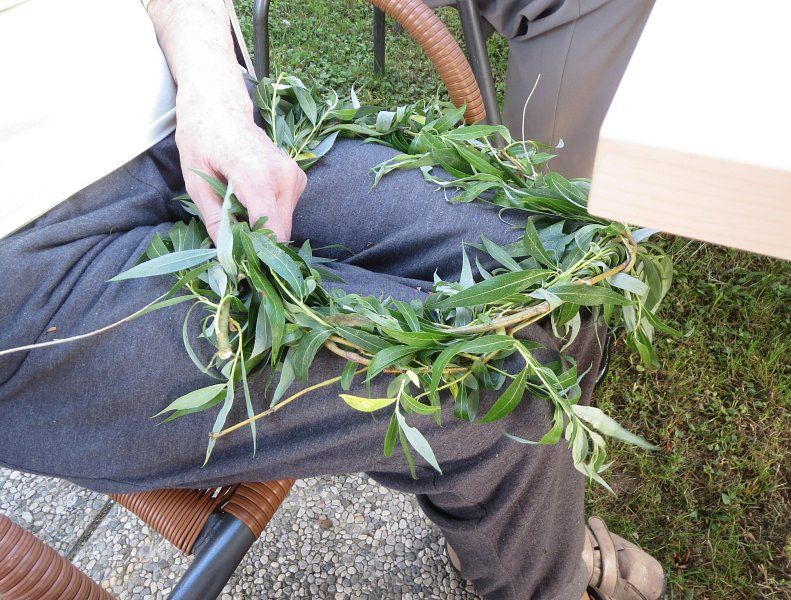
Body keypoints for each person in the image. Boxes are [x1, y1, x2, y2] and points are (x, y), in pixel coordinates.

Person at [0, 0, 664, 598]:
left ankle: (509, 529)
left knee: (559, 273)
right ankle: (544, 579)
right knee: (489, 392)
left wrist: (213, 92)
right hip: (33, 262)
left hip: (192, 116)